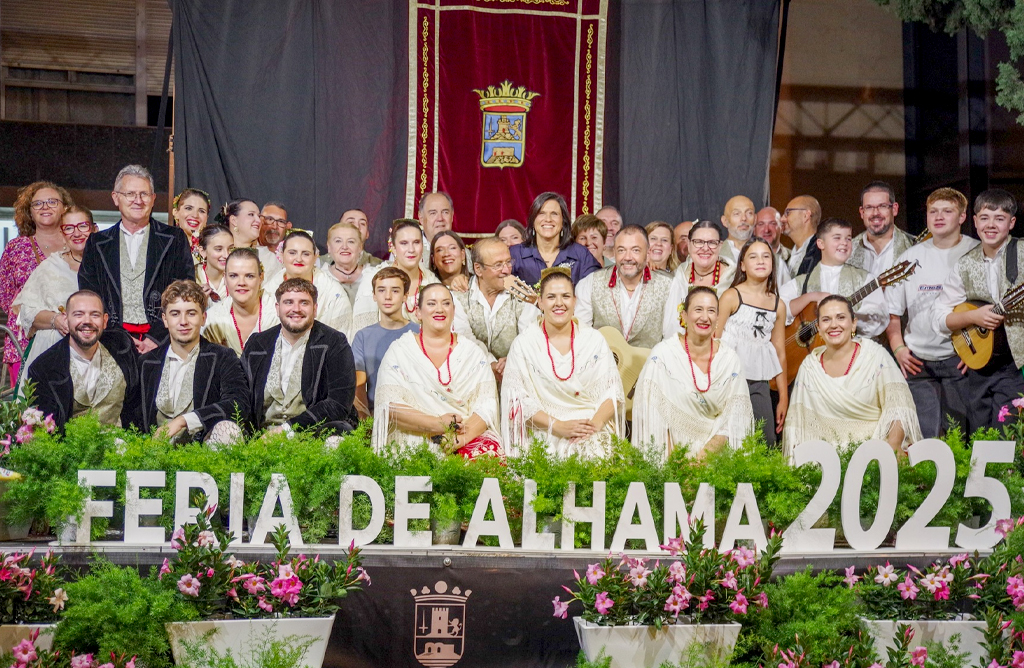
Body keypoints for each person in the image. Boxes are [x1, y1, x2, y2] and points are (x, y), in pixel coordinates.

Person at [501, 267, 624, 458]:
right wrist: (557, 426)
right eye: (551, 297)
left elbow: (612, 391)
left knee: (594, 454)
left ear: (575, 301)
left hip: (588, 425)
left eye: (566, 296)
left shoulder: (593, 340)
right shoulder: (524, 344)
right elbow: (516, 402)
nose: (559, 303)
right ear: (540, 302)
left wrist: (595, 425)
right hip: (544, 428)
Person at [885, 188, 977, 438]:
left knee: (958, 437)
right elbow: (892, 314)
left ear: (962, 217)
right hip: (918, 363)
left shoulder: (976, 253)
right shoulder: (909, 259)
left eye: (947, 211)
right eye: (933, 211)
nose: (938, 217)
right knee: (924, 437)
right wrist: (899, 349)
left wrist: (976, 353)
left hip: (959, 360)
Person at [373, 283, 502, 458]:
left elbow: (487, 405)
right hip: (412, 437)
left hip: (464, 437)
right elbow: (388, 405)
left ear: (454, 310)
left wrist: (461, 438)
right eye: (432, 304)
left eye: (446, 303)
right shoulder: (400, 351)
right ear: (418, 312)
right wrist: (437, 424)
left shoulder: (472, 352)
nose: (439, 309)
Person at [784, 295, 921, 457]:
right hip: (825, 463)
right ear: (819, 328)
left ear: (853, 322)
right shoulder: (809, 367)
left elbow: (899, 408)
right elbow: (797, 424)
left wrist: (892, 448)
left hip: (874, 456)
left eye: (841, 318)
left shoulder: (875, 356)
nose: (834, 325)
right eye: (826, 320)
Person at [933, 188, 1024, 429]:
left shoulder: (1022, 253)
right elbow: (939, 317)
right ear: (974, 222)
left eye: (1000, 218)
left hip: (1016, 367)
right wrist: (974, 317)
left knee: (1010, 438)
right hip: (980, 368)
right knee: (980, 438)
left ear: (1012, 223)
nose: (991, 225)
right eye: (984, 218)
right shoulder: (964, 264)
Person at [79, 165, 195, 354]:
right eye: (130, 194)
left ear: (153, 199)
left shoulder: (174, 238)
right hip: (111, 340)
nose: (138, 201)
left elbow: (185, 289)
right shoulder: (97, 242)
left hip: (163, 340)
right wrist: (117, 338)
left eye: (144, 194)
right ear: (116, 198)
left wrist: (156, 338)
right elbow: (89, 294)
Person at [633, 287, 754, 459]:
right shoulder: (663, 355)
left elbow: (734, 419)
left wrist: (700, 462)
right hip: (669, 460)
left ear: (718, 318)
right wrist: (676, 466)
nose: (705, 317)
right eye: (698, 309)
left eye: (711, 311)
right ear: (684, 316)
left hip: (715, 458)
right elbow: (651, 414)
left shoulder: (729, 360)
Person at [240, 278, 357, 435]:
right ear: (277, 308)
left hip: (315, 435)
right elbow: (240, 395)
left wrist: (286, 431)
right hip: (260, 437)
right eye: (288, 302)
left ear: (315, 309)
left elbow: (338, 404)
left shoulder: (334, 342)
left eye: (304, 303)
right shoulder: (257, 343)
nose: (296, 309)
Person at [139, 281, 248, 444]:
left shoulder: (222, 357)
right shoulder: (146, 362)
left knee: (228, 431)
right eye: (175, 314)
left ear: (203, 318)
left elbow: (238, 404)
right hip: (153, 452)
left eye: (191, 313)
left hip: (204, 453)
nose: (183, 321)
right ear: (165, 319)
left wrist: (184, 420)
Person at [27, 290, 140, 430]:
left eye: (95, 315)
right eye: (78, 314)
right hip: (69, 450)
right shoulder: (43, 368)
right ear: (66, 319)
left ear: (105, 321)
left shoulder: (123, 349)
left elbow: (137, 406)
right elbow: (47, 431)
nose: (87, 321)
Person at [716, 238, 789, 446]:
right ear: (742, 265)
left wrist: (783, 397)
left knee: (765, 439)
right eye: (753, 256)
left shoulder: (778, 305)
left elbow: (779, 352)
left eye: (766, 256)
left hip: (759, 382)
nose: (760, 261)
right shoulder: (731, 296)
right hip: (728, 379)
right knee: (729, 436)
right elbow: (715, 341)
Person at [0, 181, 74, 381]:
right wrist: (34, 316)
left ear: (64, 207)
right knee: (28, 408)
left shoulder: (77, 243)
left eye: (52, 201)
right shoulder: (16, 248)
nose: (45, 207)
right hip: (24, 339)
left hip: (71, 336)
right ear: (29, 212)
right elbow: (6, 296)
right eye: (38, 204)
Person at [13, 205, 96, 376]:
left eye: (83, 226)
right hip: (52, 349)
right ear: (62, 234)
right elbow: (24, 311)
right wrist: (55, 319)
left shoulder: (107, 264)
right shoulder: (51, 267)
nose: (77, 233)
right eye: (69, 228)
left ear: (94, 229)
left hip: (97, 351)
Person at [779, 218, 888, 339]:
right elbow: (778, 311)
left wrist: (847, 318)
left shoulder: (865, 279)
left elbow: (879, 318)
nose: (844, 243)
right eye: (837, 238)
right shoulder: (800, 282)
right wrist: (811, 297)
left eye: (848, 238)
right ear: (821, 243)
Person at [452, 237, 539, 381]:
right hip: (470, 378)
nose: (506, 270)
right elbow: (463, 338)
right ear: (478, 269)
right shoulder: (458, 296)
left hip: (516, 377)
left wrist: (511, 360)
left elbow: (530, 338)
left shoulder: (523, 295)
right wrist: (490, 364)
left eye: (508, 262)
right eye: (498, 265)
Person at [576, 225, 672, 349]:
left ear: (648, 254)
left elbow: (672, 341)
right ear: (614, 253)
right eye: (621, 250)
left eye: (635, 250)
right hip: (603, 365)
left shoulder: (669, 286)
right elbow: (582, 336)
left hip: (652, 366)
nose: (627, 257)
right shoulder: (589, 283)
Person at [351, 267, 419, 419]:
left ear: (405, 295)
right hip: (377, 414)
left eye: (395, 291)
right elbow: (358, 387)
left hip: (416, 413)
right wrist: (365, 424)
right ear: (374, 295)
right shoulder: (363, 336)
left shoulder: (419, 333)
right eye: (381, 290)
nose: (387, 296)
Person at [351, 220, 440, 332]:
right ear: (392, 247)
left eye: (416, 242)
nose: (411, 250)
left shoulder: (431, 282)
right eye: (404, 243)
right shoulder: (374, 279)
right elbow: (362, 332)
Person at [262, 231, 352, 336]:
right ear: (281, 255)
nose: (299, 259)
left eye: (306, 254)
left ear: (315, 257)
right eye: (292, 253)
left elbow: (342, 338)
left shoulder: (334, 293)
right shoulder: (267, 292)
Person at [663, 221, 737, 339]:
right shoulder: (680, 275)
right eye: (698, 242)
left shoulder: (734, 278)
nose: (705, 248)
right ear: (689, 244)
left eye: (712, 243)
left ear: (720, 246)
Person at [510, 192, 602, 286]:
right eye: (542, 213)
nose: (548, 219)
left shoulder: (581, 254)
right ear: (533, 221)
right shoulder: (515, 254)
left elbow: (596, 290)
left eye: (554, 214)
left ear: (563, 221)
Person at [202, 248, 280, 356]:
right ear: (225, 278)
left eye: (249, 276)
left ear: (261, 277)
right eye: (234, 276)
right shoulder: (213, 319)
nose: (241, 282)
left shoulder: (279, 314)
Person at [849, 181, 915, 277]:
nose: (875, 213)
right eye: (869, 207)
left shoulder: (913, 246)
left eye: (882, 206)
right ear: (862, 212)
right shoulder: (848, 251)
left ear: (894, 209)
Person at [218, 198, 283, 278]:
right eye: (251, 214)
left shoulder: (268, 259)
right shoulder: (217, 254)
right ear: (234, 220)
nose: (258, 221)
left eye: (258, 216)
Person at [323, 222, 368, 309]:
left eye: (351, 241)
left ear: (360, 247)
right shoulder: (321, 279)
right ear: (329, 247)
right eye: (338, 241)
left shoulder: (372, 276)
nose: (344, 247)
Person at [781, 195, 822, 277]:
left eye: (788, 213)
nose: (782, 219)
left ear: (806, 216)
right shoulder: (786, 256)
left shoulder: (821, 253)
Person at [195, 224, 233, 304]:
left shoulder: (238, 278)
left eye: (230, 249)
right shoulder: (192, 277)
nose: (226, 255)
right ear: (202, 251)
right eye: (219, 249)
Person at [754, 206, 792, 285]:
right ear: (754, 230)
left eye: (773, 224)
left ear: (781, 227)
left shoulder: (793, 258)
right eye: (761, 224)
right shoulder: (744, 258)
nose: (766, 230)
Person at [171, 188, 211, 260]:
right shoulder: (164, 245)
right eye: (188, 208)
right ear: (175, 212)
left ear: (207, 217)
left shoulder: (213, 250)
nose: (195, 215)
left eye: (201, 211)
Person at [718, 195, 756, 262]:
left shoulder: (766, 253)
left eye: (749, 213)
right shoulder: (715, 254)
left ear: (755, 219)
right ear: (725, 221)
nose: (744, 218)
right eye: (736, 214)